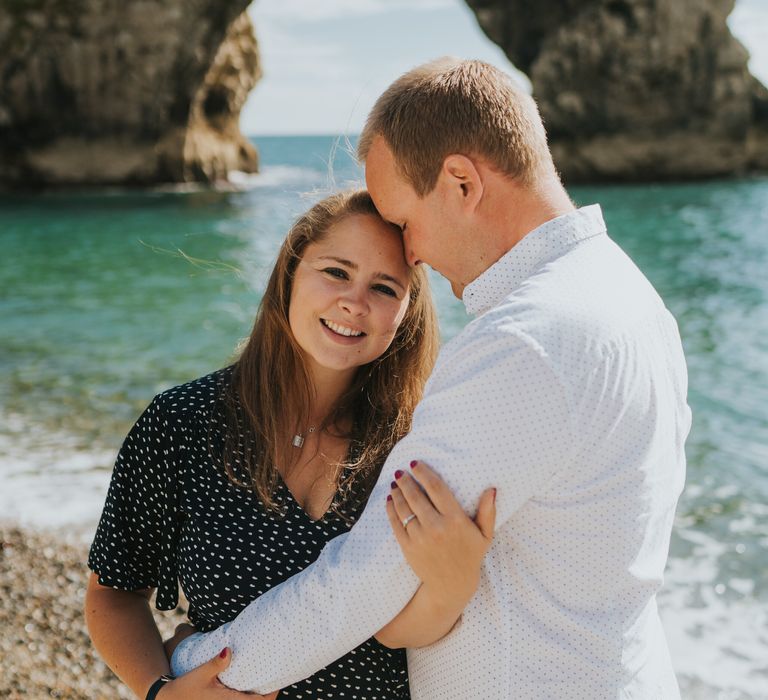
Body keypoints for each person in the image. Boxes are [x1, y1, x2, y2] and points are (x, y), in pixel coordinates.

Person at [171, 58, 692, 698]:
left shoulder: (522, 343)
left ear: (460, 183)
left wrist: (190, 665)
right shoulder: (635, 302)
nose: (408, 252)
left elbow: (364, 579)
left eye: (404, 221)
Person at [84, 189, 497, 700]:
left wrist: (457, 583)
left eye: (385, 288)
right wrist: (161, 692)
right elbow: (114, 594)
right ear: (290, 274)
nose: (355, 301)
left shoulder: (417, 445)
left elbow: (413, 628)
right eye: (337, 272)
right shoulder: (182, 424)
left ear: (408, 312)